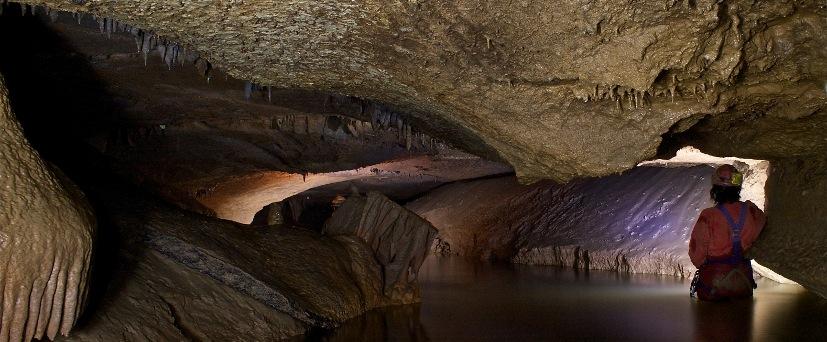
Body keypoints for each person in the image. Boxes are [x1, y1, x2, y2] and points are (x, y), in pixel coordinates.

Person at [689, 164, 767, 301]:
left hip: (714, 287)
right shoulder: (750, 210)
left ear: (715, 189)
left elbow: (696, 254)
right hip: (743, 284)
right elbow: (761, 226)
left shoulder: (709, 216)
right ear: (738, 187)